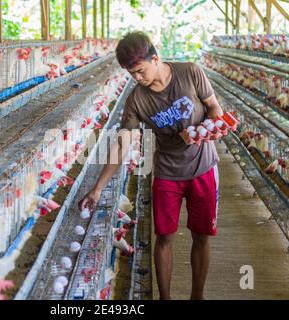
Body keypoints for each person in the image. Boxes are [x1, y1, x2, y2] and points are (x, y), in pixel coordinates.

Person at [78, 31, 224, 300]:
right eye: (131, 73)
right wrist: (98, 187)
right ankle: (164, 297)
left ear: (155, 59)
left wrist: (210, 128)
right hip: (168, 172)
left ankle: (198, 295)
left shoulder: (191, 72)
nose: (137, 78)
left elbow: (214, 108)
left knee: (201, 235)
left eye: (139, 71)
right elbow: (122, 144)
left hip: (204, 166)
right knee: (165, 237)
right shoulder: (137, 99)